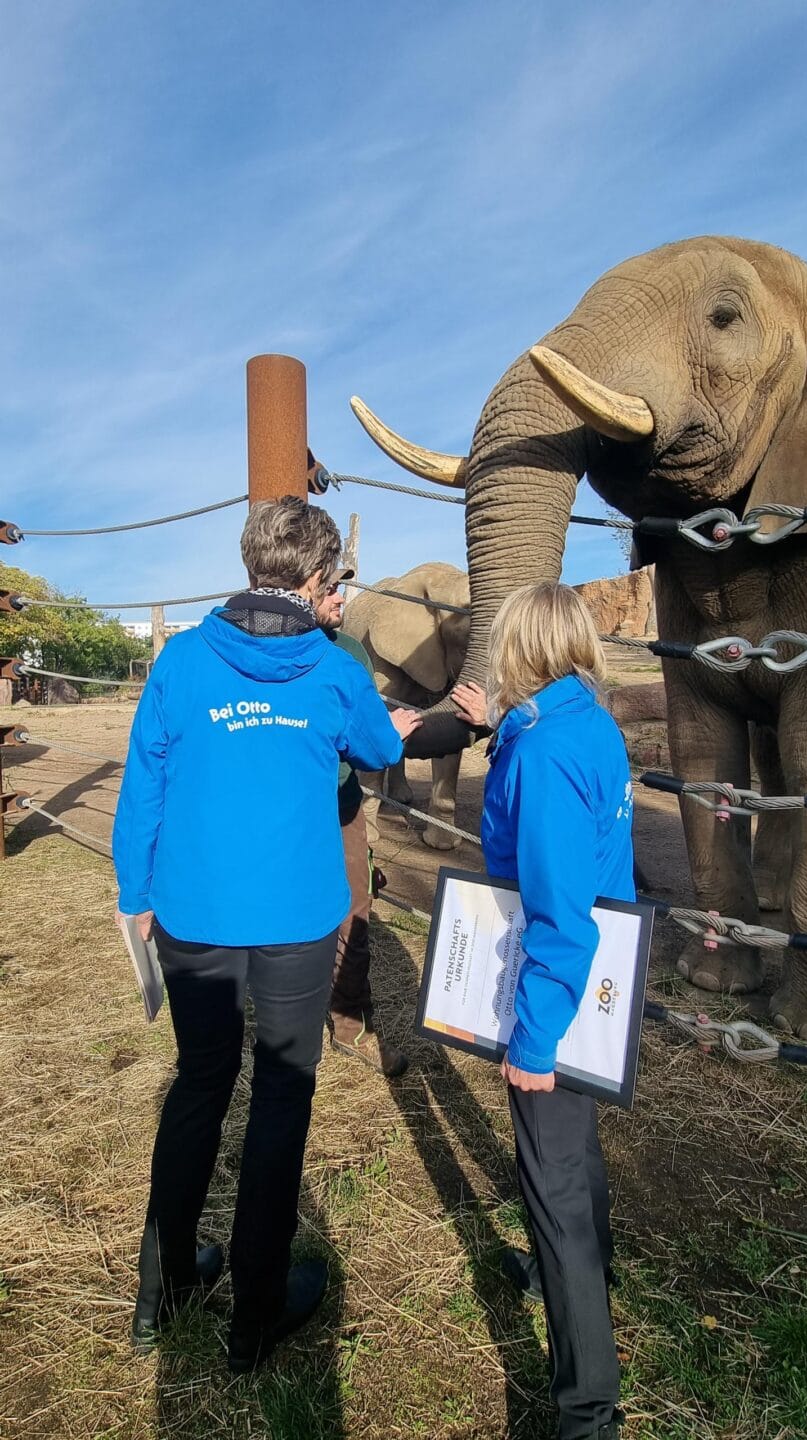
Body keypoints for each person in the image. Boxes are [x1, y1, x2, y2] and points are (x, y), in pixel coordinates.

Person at [113, 496, 420, 1371]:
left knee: (201, 1081)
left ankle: (165, 1288)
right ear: (318, 580)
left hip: (191, 914)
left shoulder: (180, 663)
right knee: (282, 1092)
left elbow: (144, 786)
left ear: (249, 564)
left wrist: (136, 892)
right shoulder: (332, 670)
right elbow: (377, 752)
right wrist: (392, 728)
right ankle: (254, 1312)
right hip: (292, 918)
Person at [453, 583, 634, 1440]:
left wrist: (531, 1038)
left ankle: (584, 1409)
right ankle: (593, 1276)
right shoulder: (582, 721)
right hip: (591, 983)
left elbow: (558, 915)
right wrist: (500, 727)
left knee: (551, 1177)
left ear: (518, 647)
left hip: (556, 985)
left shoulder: (545, 750)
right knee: (577, 1153)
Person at [314, 576, 410, 1077]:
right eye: (327, 585)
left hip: (344, 802)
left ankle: (351, 1026)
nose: (341, 596)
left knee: (355, 913)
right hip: (289, 809)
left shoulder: (350, 649)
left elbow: (370, 732)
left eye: (341, 585)